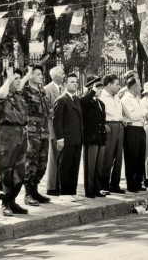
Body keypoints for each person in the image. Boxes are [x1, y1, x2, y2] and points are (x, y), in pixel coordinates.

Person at [0, 68, 29, 216]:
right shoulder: (2, 94)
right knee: (6, 170)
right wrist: (8, 80)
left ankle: (13, 201)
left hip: (21, 133)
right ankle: (5, 203)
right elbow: (1, 95)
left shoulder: (19, 96)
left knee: (20, 170)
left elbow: (21, 85)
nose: (19, 80)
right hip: (6, 134)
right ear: (7, 80)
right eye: (15, 78)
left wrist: (26, 76)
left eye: (19, 78)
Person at [19, 64, 52, 206]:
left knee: (42, 164)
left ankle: (35, 191)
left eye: (41, 74)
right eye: (37, 74)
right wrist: (27, 74)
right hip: (31, 131)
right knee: (30, 163)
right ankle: (28, 194)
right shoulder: (25, 91)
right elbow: (16, 89)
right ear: (30, 75)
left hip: (44, 131)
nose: (41, 76)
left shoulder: (42, 92)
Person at [53, 73, 84, 201]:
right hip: (66, 139)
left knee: (74, 165)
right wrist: (60, 139)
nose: (75, 84)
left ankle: (72, 191)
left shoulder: (77, 99)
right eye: (71, 82)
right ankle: (64, 193)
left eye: (76, 82)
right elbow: (57, 121)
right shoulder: (61, 100)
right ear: (65, 84)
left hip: (77, 138)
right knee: (65, 166)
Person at [121, 77, 148, 192]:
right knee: (132, 157)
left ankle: (138, 182)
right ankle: (132, 184)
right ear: (134, 87)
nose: (141, 87)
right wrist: (146, 110)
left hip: (140, 128)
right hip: (132, 129)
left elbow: (141, 114)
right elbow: (133, 116)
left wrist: (147, 111)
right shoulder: (126, 99)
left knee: (140, 156)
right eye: (139, 85)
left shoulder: (137, 98)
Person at [80, 74, 107, 198]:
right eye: (98, 88)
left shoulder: (101, 103)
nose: (100, 91)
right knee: (90, 166)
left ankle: (96, 188)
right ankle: (89, 190)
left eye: (101, 88)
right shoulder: (86, 100)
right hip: (91, 137)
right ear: (91, 88)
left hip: (100, 138)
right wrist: (91, 91)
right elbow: (83, 103)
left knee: (98, 165)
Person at [98, 74, 126, 194]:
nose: (119, 87)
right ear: (109, 85)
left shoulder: (116, 97)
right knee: (107, 157)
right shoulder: (101, 96)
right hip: (109, 126)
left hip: (119, 125)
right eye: (117, 84)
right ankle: (103, 185)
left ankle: (115, 184)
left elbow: (118, 112)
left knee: (118, 157)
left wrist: (122, 119)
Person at [44, 65, 65, 196]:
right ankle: (52, 187)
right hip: (52, 127)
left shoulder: (63, 89)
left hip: (63, 127)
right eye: (62, 74)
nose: (64, 76)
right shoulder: (47, 89)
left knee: (61, 157)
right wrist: (59, 112)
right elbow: (46, 110)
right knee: (54, 157)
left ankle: (60, 184)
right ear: (56, 76)